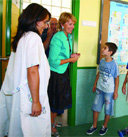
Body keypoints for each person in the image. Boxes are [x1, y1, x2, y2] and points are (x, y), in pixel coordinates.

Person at [0, 3, 51, 137]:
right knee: (34, 131)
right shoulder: (33, 39)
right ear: (35, 20)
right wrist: (36, 101)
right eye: (45, 22)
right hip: (30, 96)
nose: (46, 26)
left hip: (22, 95)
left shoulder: (22, 38)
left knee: (21, 130)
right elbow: (32, 70)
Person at [47, 12, 80, 135]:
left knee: (59, 101)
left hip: (63, 73)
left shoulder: (68, 37)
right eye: (70, 24)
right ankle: (51, 127)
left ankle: (53, 122)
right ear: (62, 24)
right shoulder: (58, 37)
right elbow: (53, 61)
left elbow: (62, 55)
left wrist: (72, 56)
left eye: (73, 24)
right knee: (54, 102)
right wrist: (71, 60)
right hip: (56, 74)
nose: (72, 26)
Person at [86, 42, 119, 136]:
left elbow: (117, 77)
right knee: (96, 108)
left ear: (110, 52)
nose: (102, 49)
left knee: (108, 110)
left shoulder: (114, 64)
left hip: (109, 91)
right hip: (100, 89)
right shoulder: (102, 61)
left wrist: (115, 91)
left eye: (105, 48)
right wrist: (95, 84)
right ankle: (94, 125)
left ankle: (104, 126)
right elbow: (99, 73)